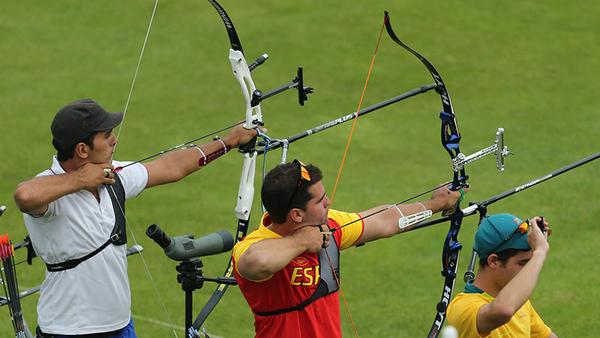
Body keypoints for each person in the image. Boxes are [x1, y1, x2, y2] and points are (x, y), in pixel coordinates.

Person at [13, 98, 258, 337]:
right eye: (107, 135)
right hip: (69, 331)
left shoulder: (111, 176)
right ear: (82, 150)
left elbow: (172, 167)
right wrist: (80, 180)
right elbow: (24, 196)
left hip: (120, 326)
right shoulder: (50, 189)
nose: (114, 140)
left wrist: (230, 141)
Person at [232, 160, 464, 337]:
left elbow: (385, 220)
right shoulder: (252, 245)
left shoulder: (328, 225)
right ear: (296, 214)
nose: (329, 202)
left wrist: (435, 204)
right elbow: (257, 262)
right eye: (320, 200)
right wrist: (302, 241)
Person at [446, 213, 557, 337]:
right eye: (523, 263)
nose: (528, 270)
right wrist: (540, 253)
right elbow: (503, 310)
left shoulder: (517, 300)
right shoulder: (463, 308)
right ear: (493, 261)